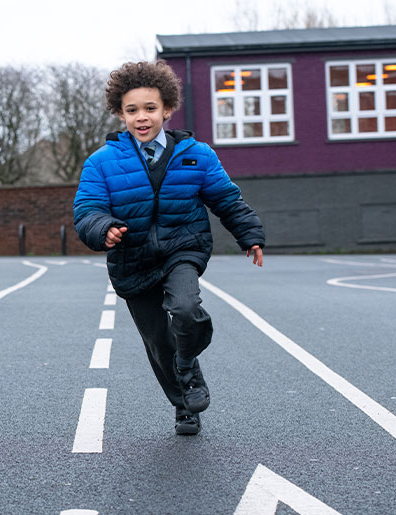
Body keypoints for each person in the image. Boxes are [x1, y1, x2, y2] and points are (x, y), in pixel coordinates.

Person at [73, 61, 265, 436]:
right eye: (132, 110)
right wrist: (104, 229)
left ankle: (187, 364)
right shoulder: (102, 162)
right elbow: (87, 210)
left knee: (187, 310)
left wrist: (250, 235)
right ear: (119, 113)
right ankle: (184, 405)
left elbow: (226, 199)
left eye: (150, 108)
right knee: (159, 344)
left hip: (182, 250)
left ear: (167, 110)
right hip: (133, 260)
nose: (141, 118)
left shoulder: (197, 155)